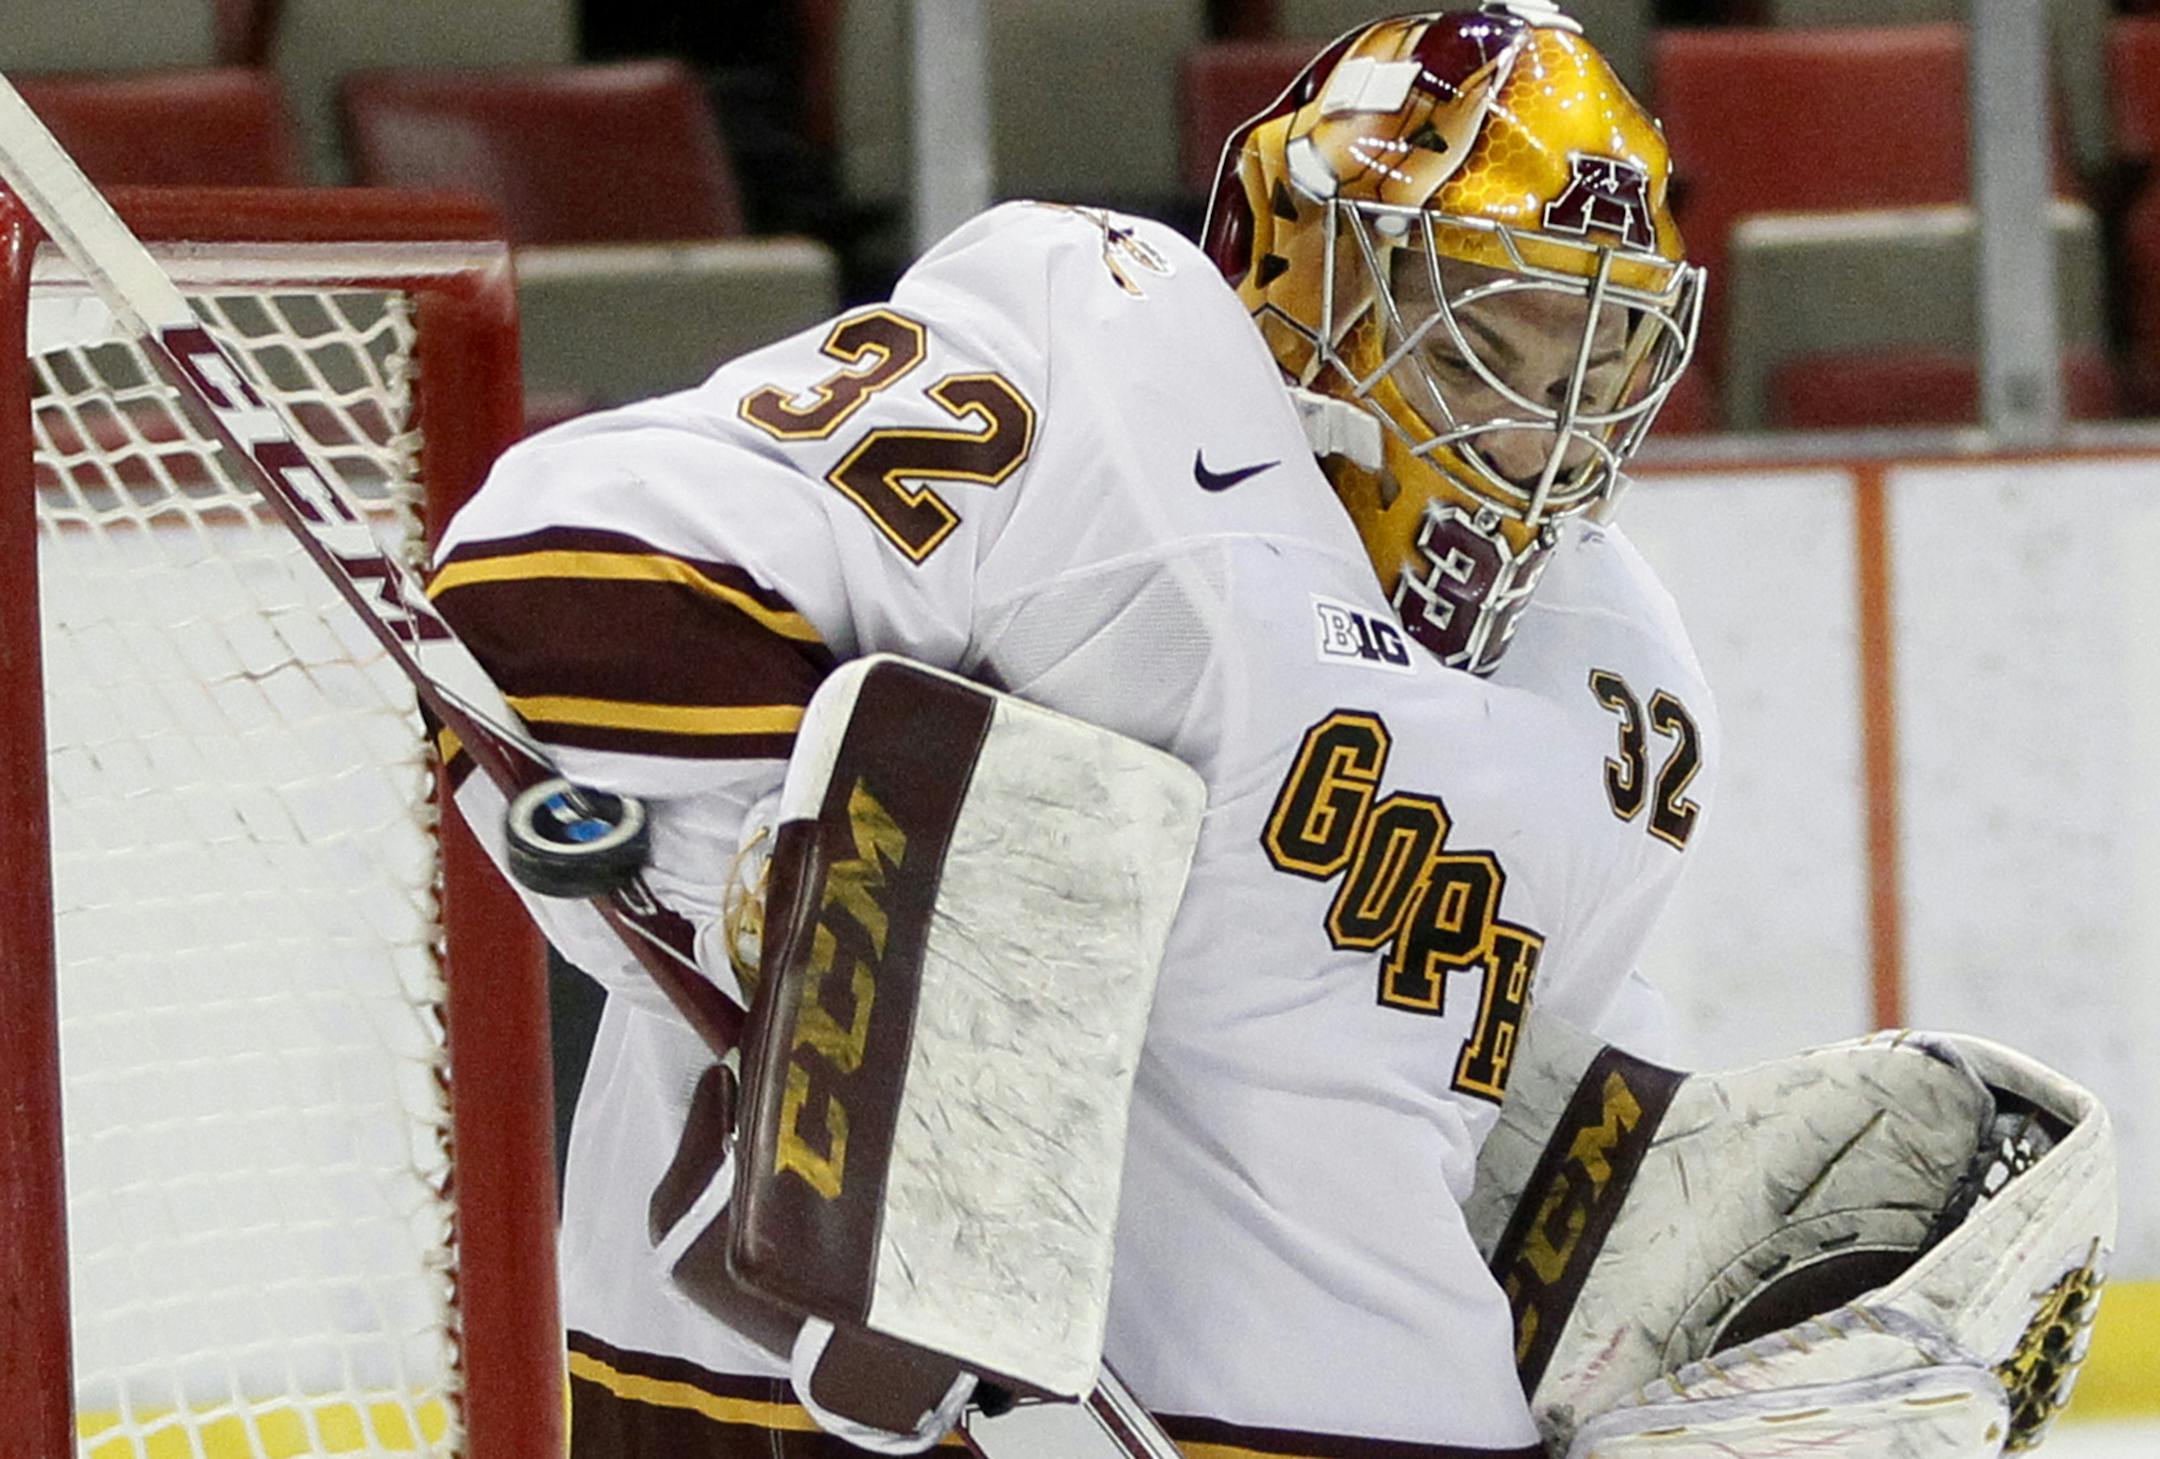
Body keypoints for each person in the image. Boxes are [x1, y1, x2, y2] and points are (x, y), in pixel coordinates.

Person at [427, 5, 1714, 1456]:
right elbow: (564, 574)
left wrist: (1699, 1262)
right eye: (1495, 330)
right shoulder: (1108, 390)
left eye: (1599, 358)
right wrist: (836, 993)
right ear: (1317, 271)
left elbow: (1527, 1150)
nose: (1547, 421)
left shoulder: (1628, 695)